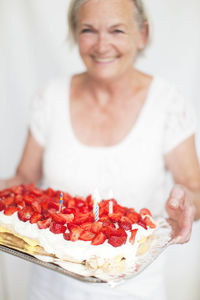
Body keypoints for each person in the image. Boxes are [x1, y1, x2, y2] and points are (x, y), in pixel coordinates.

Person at [0, 0, 200, 299]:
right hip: (51, 289)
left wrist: (188, 201)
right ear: (74, 34)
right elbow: (24, 179)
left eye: (117, 30)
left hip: (136, 291)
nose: (102, 45)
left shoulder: (167, 103)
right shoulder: (50, 97)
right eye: (88, 30)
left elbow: (194, 189)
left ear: (142, 34)